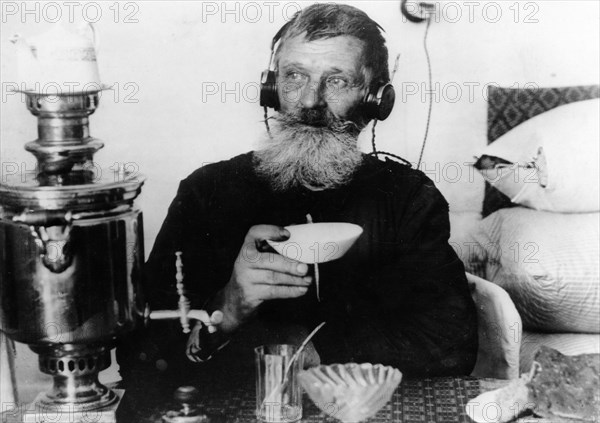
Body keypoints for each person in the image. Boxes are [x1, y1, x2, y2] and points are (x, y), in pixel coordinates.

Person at [120, 3, 478, 382]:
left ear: (376, 99)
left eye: (337, 80)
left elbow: (451, 343)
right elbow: (137, 354)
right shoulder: (205, 192)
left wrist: (310, 349)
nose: (310, 101)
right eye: (294, 77)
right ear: (272, 89)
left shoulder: (408, 199)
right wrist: (230, 306)